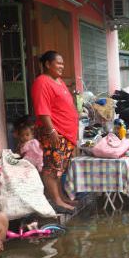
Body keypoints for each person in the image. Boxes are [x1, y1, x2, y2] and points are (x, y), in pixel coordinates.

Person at [31, 50, 78, 213]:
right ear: (47, 64)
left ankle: (61, 197)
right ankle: (56, 201)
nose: (62, 66)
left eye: (62, 63)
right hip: (54, 132)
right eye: (58, 63)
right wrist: (51, 131)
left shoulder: (58, 81)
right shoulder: (42, 82)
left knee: (60, 168)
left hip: (66, 133)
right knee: (51, 167)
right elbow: (42, 110)